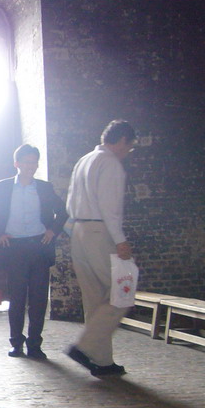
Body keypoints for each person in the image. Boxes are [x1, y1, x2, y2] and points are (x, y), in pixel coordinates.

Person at [0, 144, 68, 359]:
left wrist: (52, 231)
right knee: (17, 297)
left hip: (39, 246)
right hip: (14, 248)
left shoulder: (44, 188)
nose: (31, 166)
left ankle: (35, 345)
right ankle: (16, 343)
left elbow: (63, 211)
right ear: (17, 163)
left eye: (34, 162)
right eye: (27, 162)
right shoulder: (1, 187)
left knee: (39, 299)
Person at [65, 119, 138, 377]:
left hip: (78, 231)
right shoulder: (110, 164)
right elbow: (110, 207)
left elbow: (70, 202)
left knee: (94, 298)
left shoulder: (84, 160)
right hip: (99, 232)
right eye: (129, 147)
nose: (128, 152)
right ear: (121, 141)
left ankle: (102, 361)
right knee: (122, 291)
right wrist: (120, 240)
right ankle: (84, 347)